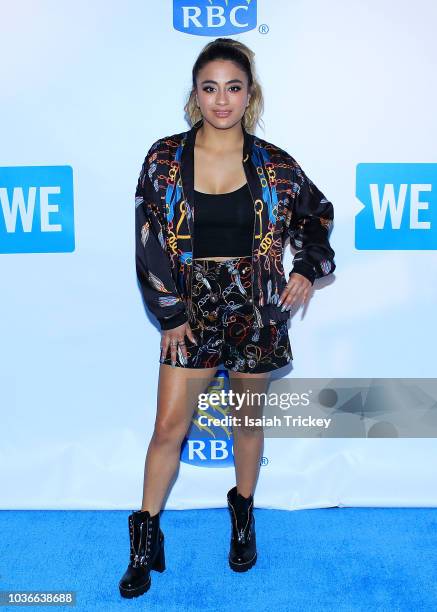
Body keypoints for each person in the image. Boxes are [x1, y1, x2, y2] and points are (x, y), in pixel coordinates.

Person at [119, 37, 336, 598]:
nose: (222, 100)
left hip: (256, 310)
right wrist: (169, 315)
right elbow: (148, 242)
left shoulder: (276, 165)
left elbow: (317, 217)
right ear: (195, 95)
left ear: (249, 95)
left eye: (233, 88)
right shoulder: (164, 159)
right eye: (210, 88)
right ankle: (146, 535)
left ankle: (243, 513)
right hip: (189, 313)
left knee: (246, 421)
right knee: (169, 427)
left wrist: (307, 268)